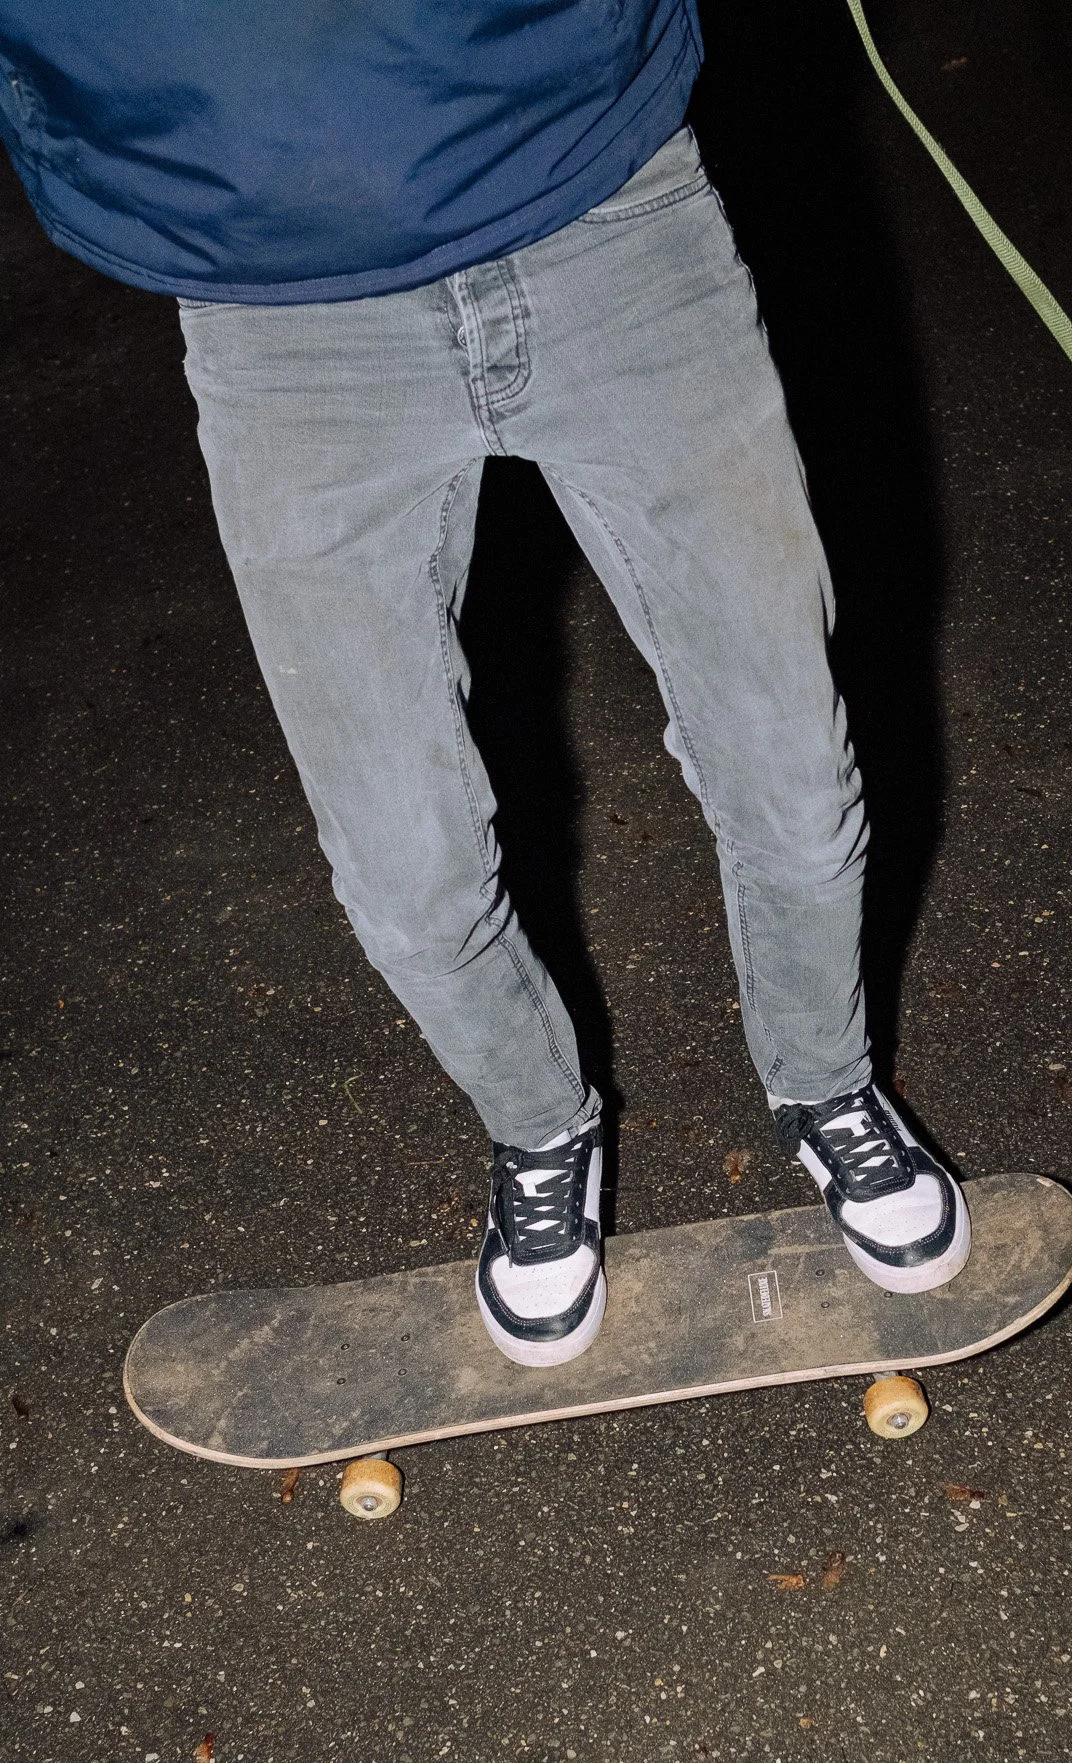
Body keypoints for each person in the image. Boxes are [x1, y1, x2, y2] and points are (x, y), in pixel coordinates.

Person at [1, 0, 969, 1366]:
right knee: (404, 875)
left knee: (797, 786)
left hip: (606, 209)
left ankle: (825, 1088)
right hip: (279, 310)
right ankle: (542, 1130)